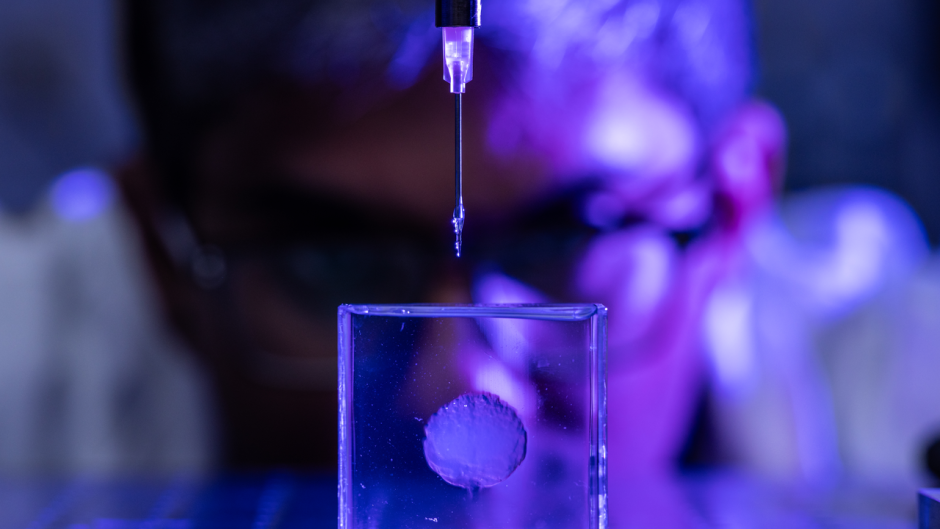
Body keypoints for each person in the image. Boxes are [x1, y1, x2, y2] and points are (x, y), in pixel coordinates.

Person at [119, 0, 785, 475]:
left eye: (565, 245)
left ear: (734, 210)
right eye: (335, 264)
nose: (458, 394)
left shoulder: (883, 391)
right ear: (159, 248)